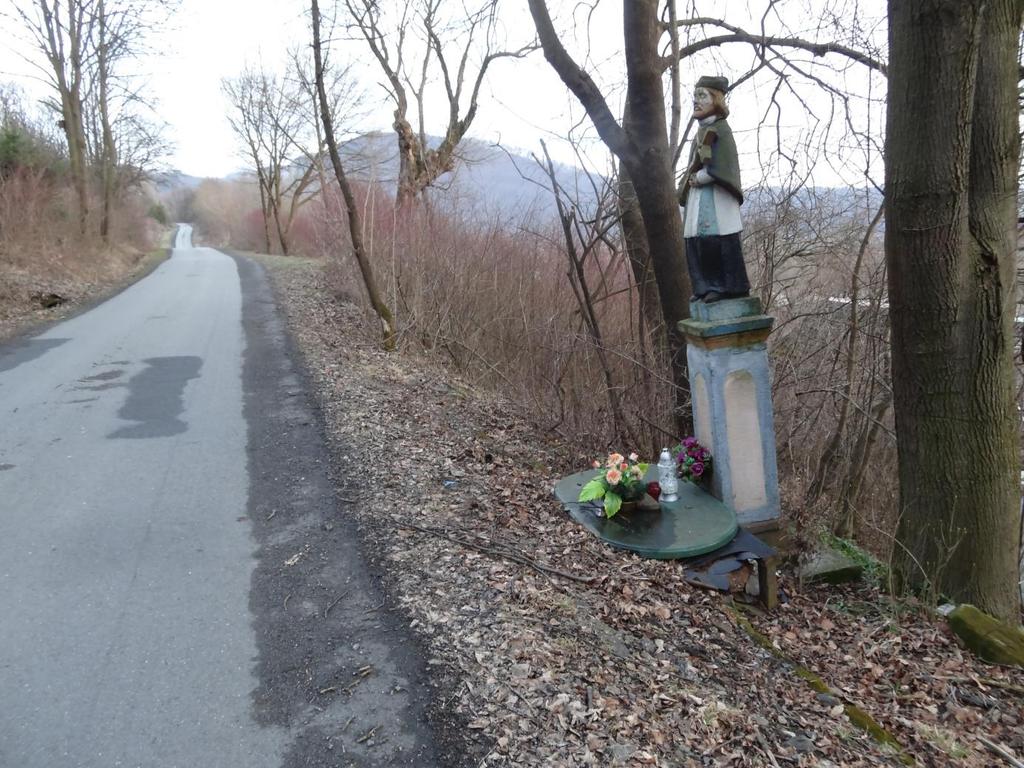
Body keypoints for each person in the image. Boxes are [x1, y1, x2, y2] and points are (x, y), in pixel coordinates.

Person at [678, 75, 751, 303]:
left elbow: (724, 165)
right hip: (699, 198)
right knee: (697, 241)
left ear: (716, 99)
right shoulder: (700, 132)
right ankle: (704, 286)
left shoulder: (721, 130)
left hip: (716, 199)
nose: (696, 101)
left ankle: (724, 286)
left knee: (717, 241)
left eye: (702, 96)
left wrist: (702, 177)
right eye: (695, 96)